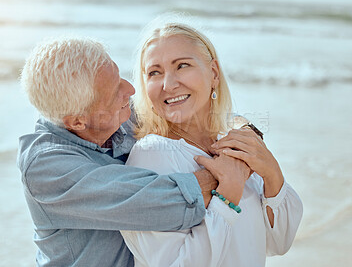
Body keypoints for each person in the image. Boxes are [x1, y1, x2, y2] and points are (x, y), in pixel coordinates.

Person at [17, 36, 230, 266]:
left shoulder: (116, 114)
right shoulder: (47, 169)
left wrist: (244, 130)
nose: (130, 90)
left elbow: (193, 118)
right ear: (77, 122)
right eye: (114, 92)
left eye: (119, 77)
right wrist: (229, 169)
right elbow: (165, 204)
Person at [120, 21, 303, 267]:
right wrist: (229, 191)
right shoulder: (151, 154)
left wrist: (271, 171)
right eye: (155, 72)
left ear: (214, 73)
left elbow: (279, 242)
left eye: (182, 65)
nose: (168, 84)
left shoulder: (233, 144)